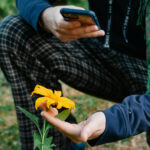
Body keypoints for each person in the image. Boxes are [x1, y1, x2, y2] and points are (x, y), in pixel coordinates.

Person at [0, 0, 149, 149]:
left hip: (144, 74)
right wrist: (46, 15)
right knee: (14, 32)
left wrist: (110, 121)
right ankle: (53, 145)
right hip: (104, 50)